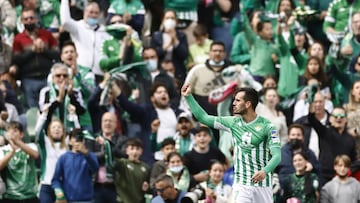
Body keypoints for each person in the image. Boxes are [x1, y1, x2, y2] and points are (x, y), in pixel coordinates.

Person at [181, 84, 281, 203]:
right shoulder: (232, 123)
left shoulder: (268, 126)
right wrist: (189, 97)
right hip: (242, 184)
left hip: (263, 185)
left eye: (238, 100)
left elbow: (277, 156)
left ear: (248, 104)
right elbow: (204, 118)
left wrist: (265, 171)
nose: (234, 103)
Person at [11, 8, 59, 109]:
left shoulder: (47, 35)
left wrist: (44, 49)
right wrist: (32, 50)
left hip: (47, 76)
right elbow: (16, 60)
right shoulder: (18, 39)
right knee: (32, 111)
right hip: (28, 78)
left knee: (49, 107)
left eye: (31, 18)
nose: (29, 21)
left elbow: (57, 54)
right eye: (26, 18)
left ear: (36, 19)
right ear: (22, 21)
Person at [60, 0, 111, 80]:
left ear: (100, 14)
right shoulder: (78, 27)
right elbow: (65, 22)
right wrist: (65, 1)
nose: (93, 15)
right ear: (84, 12)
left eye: (96, 13)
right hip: (82, 74)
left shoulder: (105, 31)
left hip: (100, 75)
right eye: (90, 12)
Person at [89, 112, 128, 203]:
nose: (107, 123)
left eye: (110, 121)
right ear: (101, 123)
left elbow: (123, 156)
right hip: (96, 185)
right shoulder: (93, 138)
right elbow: (90, 156)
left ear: (116, 124)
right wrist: (105, 152)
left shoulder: (122, 139)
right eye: (105, 121)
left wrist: (107, 144)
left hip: (115, 186)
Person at [52, 128, 99, 203]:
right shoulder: (63, 158)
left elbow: (95, 168)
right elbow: (55, 179)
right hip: (69, 200)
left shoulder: (90, 155)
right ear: (70, 141)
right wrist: (59, 192)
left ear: (83, 141)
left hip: (87, 200)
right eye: (74, 138)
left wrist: (86, 154)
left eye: (80, 138)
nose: (77, 141)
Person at [0, 121, 39, 202]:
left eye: (15, 131)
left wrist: (17, 142)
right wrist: (12, 151)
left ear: (21, 134)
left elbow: (35, 155)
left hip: (30, 195)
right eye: (9, 131)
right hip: (10, 196)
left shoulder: (31, 146)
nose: (12, 134)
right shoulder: (3, 150)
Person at [275, 124, 321, 188]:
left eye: (298, 135)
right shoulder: (280, 153)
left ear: (303, 138)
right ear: (288, 137)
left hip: (304, 189)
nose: (295, 137)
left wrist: (311, 167)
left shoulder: (309, 153)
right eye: (293, 135)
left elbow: (318, 171)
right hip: (285, 189)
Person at [36, 116, 68, 203]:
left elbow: (77, 133)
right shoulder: (46, 143)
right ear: (49, 131)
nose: (56, 129)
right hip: (47, 184)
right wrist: (43, 115)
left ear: (63, 131)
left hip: (64, 184)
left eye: (59, 127)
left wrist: (73, 116)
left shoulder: (68, 143)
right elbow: (37, 132)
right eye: (53, 127)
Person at [113, 138, 150, 203]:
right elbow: (111, 158)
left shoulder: (146, 167)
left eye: (137, 149)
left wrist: (147, 188)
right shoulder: (122, 163)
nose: (134, 151)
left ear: (141, 151)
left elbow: (149, 187)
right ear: (127, 151)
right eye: (132, 148)